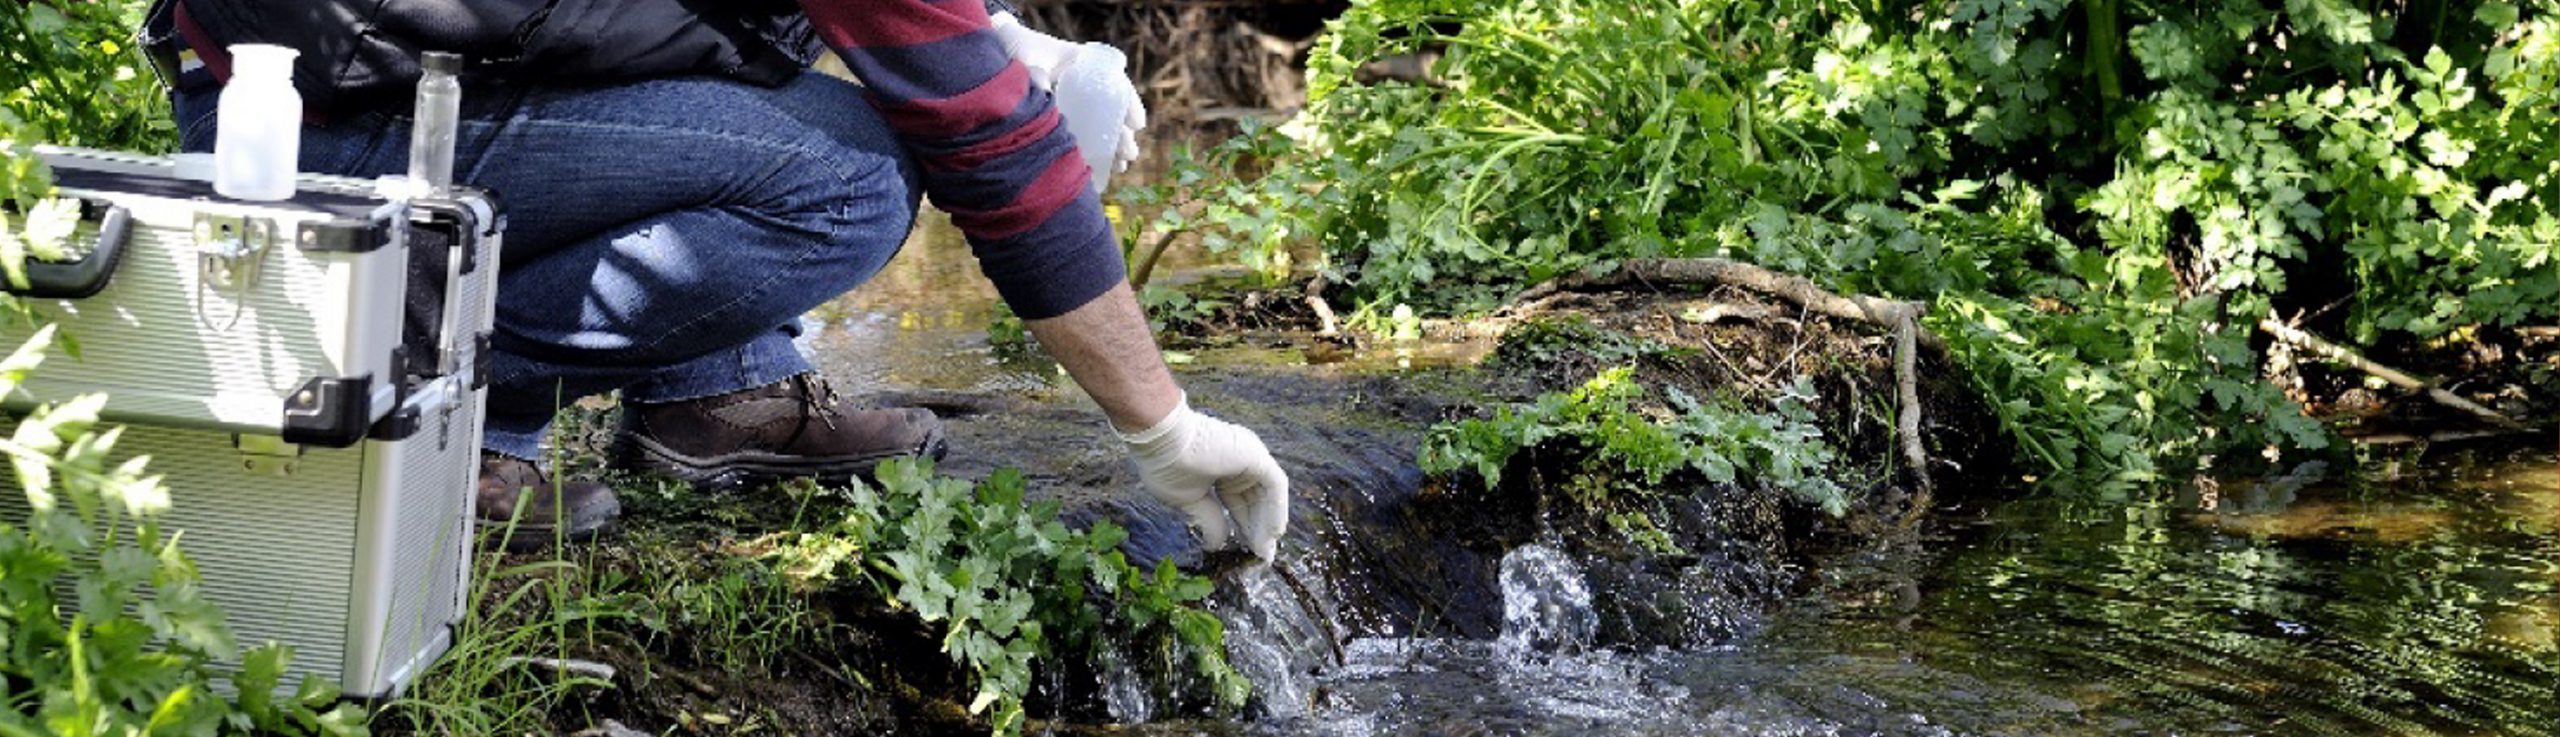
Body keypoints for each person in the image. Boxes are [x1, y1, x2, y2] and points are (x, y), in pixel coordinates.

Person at [150, 0, 1291, 560]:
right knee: (852, 175)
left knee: (785, 79)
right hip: (318, 130)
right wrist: (1161, 427)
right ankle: (435, 402)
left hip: (368, 82)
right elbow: (993, 147)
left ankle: (711, 388)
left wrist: (983, 26)